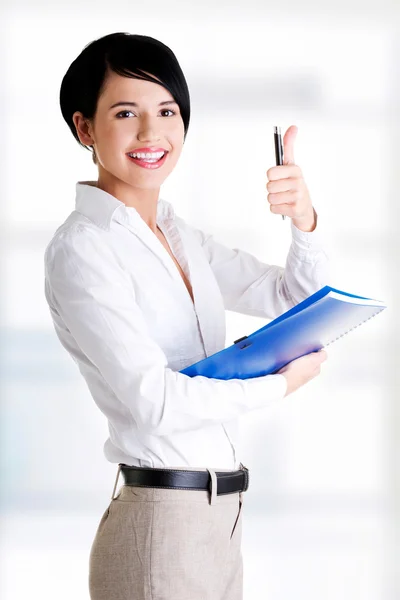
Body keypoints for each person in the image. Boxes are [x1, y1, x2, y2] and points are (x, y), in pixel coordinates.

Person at [44, 31, 329, 600]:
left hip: (221, 518)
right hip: (160, 521)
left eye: (167, 111)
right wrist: (276, 385)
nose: (152, 133)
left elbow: (292, 298)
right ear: (85, 128)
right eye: (126, 112)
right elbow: (155, 400)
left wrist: (304, 217)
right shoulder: (85, 248)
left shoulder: (178, 235)